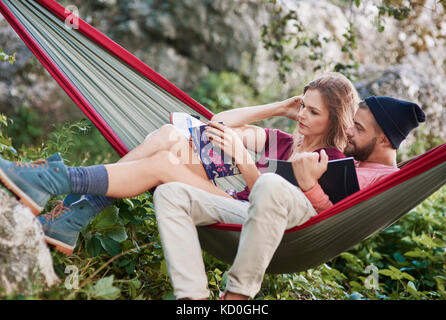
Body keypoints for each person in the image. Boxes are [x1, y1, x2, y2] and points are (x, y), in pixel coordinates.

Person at [0, 72, 358, 257]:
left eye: (314, 112)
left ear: (334, 119)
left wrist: (242, 157)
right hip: (231, 197)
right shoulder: (284, 138)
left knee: (165, 165)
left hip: (250, 215)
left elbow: (289, 207)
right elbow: (220, 120)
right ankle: (75, 214)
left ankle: (55, 184)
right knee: (170, 136)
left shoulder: (333, 163)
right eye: (303, 107)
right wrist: (279, 107)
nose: (303, 117)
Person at [151, 96, 425, 300]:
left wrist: (308, 185)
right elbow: (224, 123)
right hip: (262, 212)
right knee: (170, 193)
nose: (349, 132)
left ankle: (236, 297)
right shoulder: (349, 158)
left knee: (269, 182)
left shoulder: (386, 181)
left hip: (303, 228)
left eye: (359, 128)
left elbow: (341, 219)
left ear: (385, 141)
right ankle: (193, 299)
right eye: (351, 123)